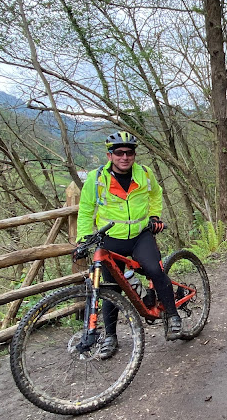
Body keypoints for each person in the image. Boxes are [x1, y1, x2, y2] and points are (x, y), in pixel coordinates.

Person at [75, 131, 181, 359]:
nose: (125, 157)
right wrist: (83, 239)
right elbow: (85, 211)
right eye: (119, 153)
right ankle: (110, 337)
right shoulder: (96, 180)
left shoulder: (144, 174)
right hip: (111, 238)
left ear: (134, 154)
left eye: (129, 152)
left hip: (140, 236)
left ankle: (172, 315)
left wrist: (154, 217)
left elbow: (156, 194)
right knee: (111, 287)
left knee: (154, 270)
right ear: (110, 155)